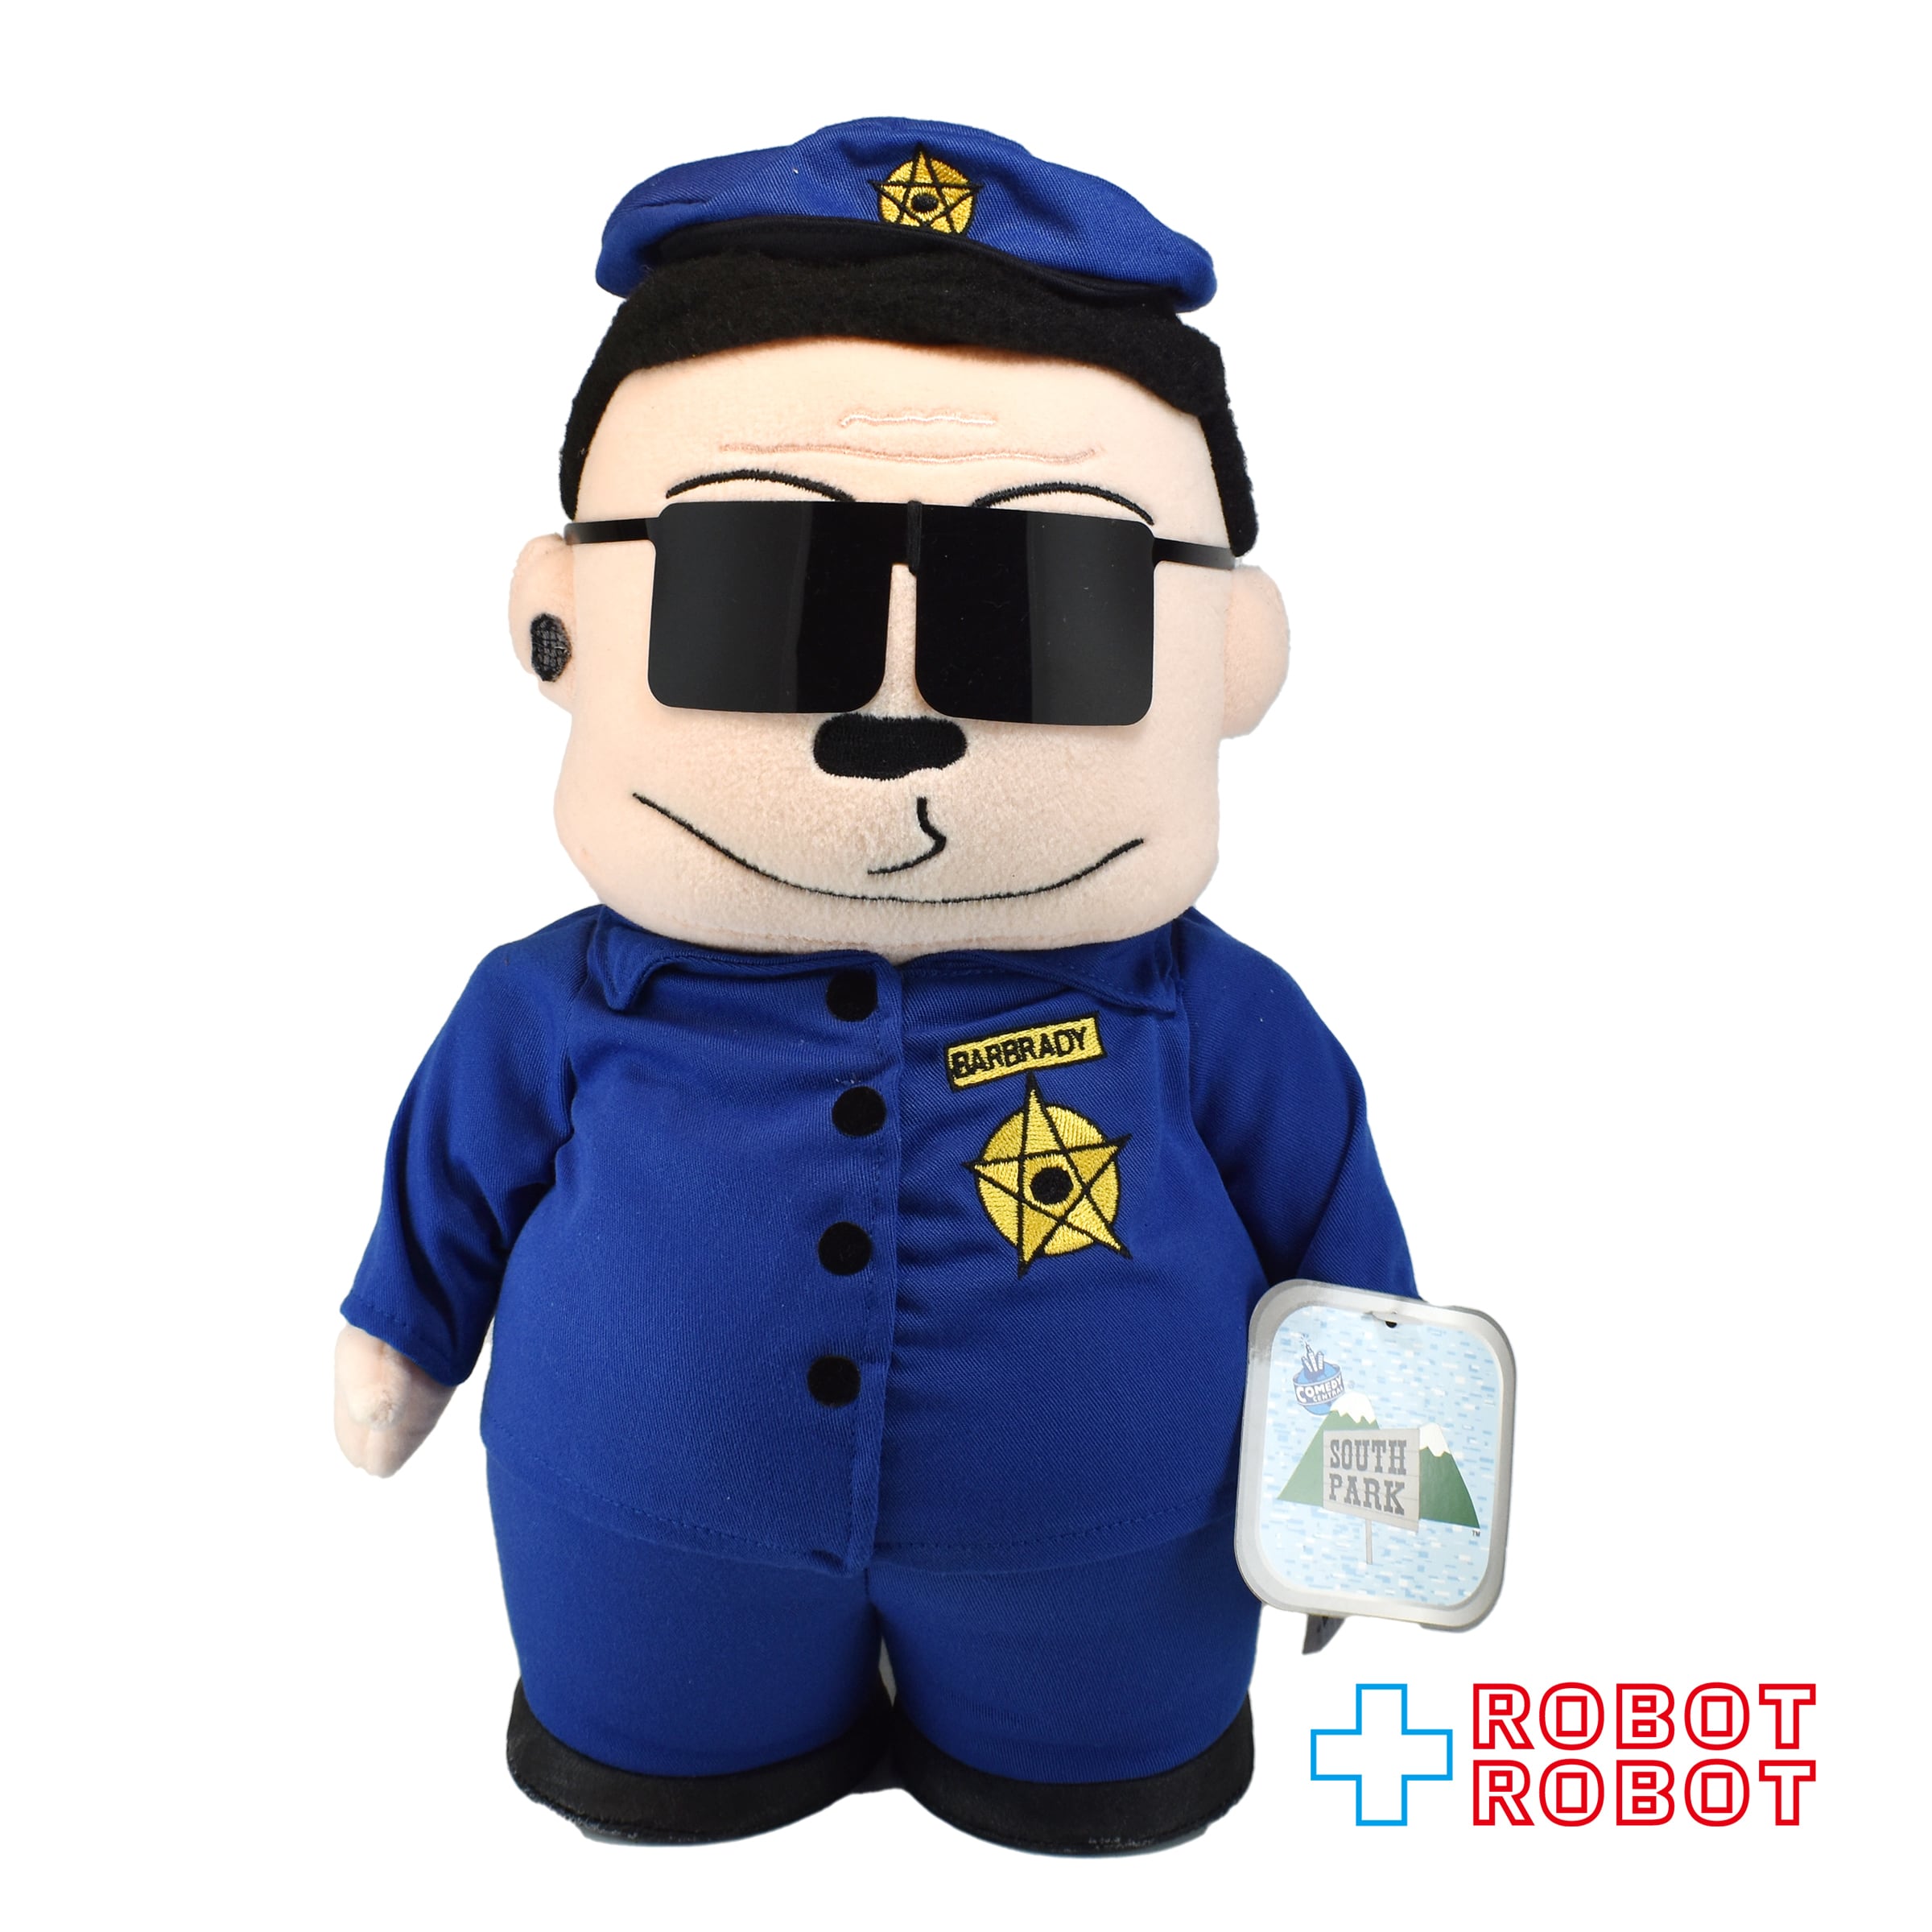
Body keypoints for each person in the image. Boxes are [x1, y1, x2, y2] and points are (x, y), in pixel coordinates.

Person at [335, 116, 1415, 1854]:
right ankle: (679, 1742)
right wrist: (399, 1336)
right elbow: (450, 1186)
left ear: (1230, 657)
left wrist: (1370, 1498)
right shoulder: (552, 1004)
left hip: (1113, 1573)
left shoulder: (1211, 1015)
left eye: (1041, 615)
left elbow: (1340, 1243)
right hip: (641, 1548)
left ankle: (1081, 1754)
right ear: (560, 626)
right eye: (760, 600)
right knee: (658, 1748)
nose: (894, 724)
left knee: (1107, 1768)